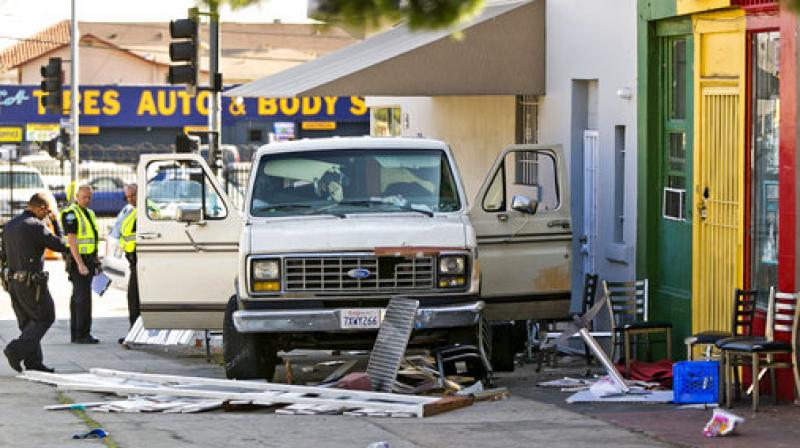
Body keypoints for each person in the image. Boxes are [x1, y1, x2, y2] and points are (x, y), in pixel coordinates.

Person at [1, 193, 69, 372]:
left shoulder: (9, 225)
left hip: (13, 282)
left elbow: (3, 256)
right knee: (45, 317)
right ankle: (15, 350)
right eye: (46, 212)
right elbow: (61, 245)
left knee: (28, 323)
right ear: (41, 208)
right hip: (32, 284)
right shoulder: (35, 226)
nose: (46, 215)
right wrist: (55, 223)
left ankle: (33, 364)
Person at [60, 184, 100, 344]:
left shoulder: (89, 213)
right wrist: (80, 264)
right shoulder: (71, 213)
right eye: (84, 197)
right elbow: (72, 240)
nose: (87, 200)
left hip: (88, 260)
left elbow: (92, 239)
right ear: (77, 196)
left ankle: (79, 334)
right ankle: (81, 334)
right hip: (79, 261)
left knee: (80, 297)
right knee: (82, 298)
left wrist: (96, 261)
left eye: (89, 197)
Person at [114, 183, 139, 344]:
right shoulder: (132, 210)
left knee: (134, 298)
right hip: (132, 260)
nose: (130, 199)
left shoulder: (146, 210)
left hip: (140, 259)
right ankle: (134, 332)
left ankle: (134, 334)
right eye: (127, 197)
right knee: (133, 299)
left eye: (133, 196)